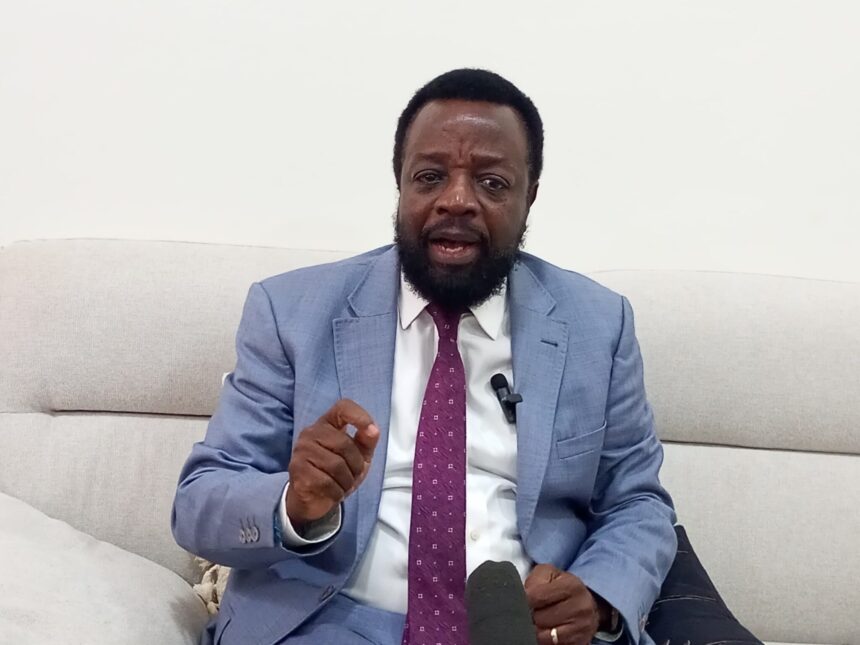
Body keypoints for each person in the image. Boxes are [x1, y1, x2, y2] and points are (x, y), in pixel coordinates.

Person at [172, 68, 677, 645]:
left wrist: (597, 597)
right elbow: (199, 502)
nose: (456, 201)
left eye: (491, 183)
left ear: (530, 196)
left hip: (517, 629)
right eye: (430, 177)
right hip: (327, 623)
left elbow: (638, 503)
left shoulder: (598, 324)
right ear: (400, 184)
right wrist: (295, 502)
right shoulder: (290, 312)